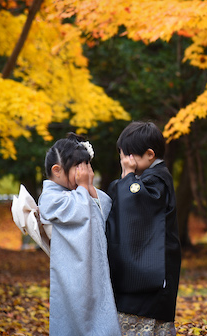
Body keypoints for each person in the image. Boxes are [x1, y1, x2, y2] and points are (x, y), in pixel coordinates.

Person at [38, 133, 121, 336]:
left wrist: (89, 188)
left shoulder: (79, 192)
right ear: (57, 171)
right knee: (73, 320)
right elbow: (78, 211)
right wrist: (84, 188)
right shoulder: (49, 197)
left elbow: (105, 207)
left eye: (86, 167)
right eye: (79, 167)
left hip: (93, 269)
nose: (84, 173)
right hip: (71, 275)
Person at [106, 121, 182, 335]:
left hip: (152, 280)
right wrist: (127, 179)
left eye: (128, 156)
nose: (124, 162)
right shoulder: (147, 178)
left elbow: (138, 202)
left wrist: (128, 178)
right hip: (146, 277)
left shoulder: (158, 179)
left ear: (149, 154)